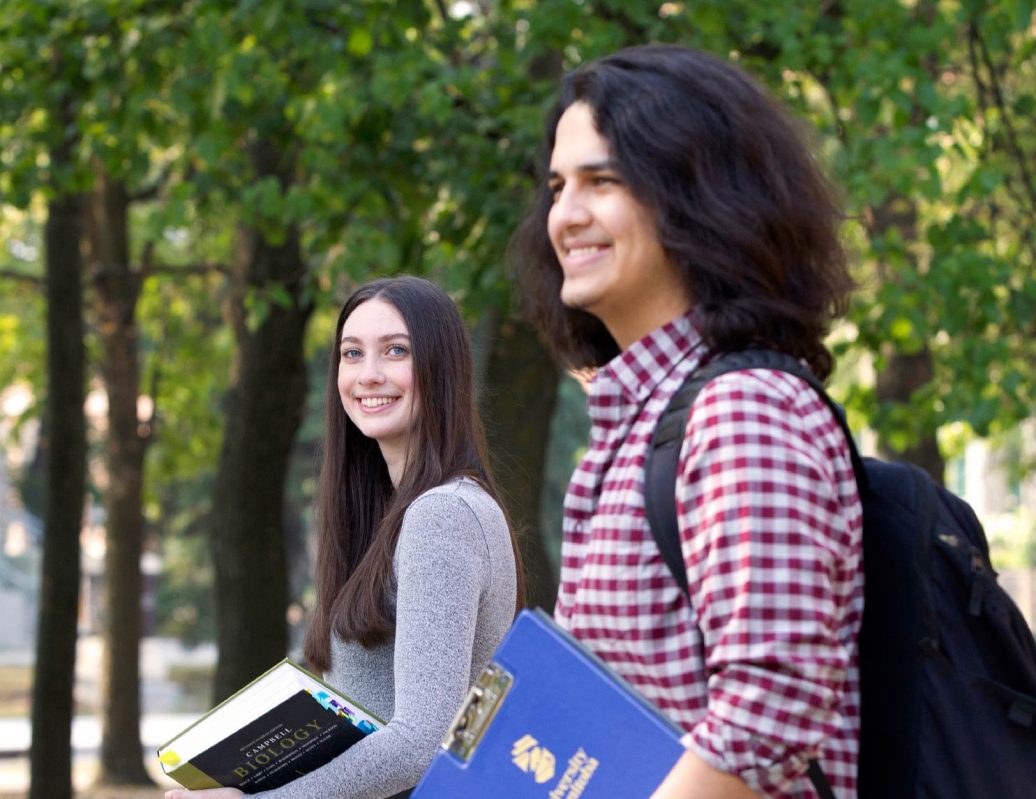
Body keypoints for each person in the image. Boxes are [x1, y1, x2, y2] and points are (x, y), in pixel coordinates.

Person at [512, 44, 863, 798]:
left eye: (602, 181)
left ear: (698, 196)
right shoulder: (637, 418)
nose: (564, 216)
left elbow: (770, 712)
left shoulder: (743, 411)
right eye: (557, 186)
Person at [166, 276, 524, 799]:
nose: (368, 375)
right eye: (352, 354)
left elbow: (422, 742)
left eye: (395, 350)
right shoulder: (390, 515)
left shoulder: (442, 515)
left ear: (442, 369)